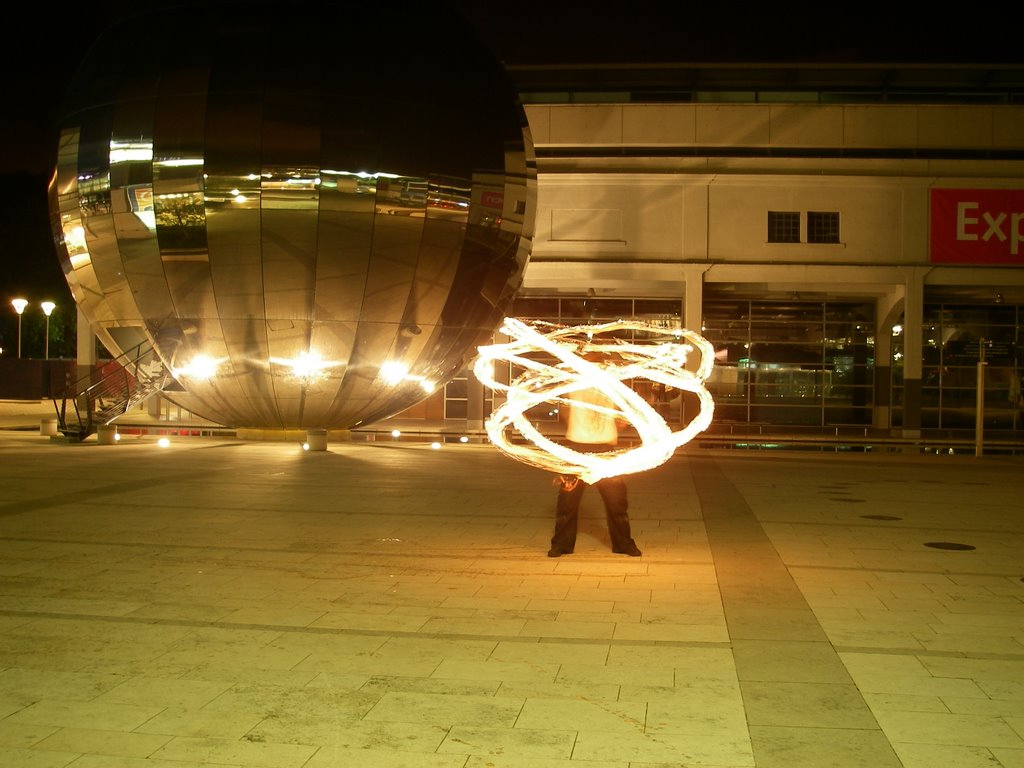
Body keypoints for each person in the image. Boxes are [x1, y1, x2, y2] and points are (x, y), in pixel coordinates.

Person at [548, 381, 642, 558]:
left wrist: (612, 428)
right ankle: (561, 545)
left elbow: (623, 415)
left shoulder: (611, 385)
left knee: (617, 501)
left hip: (605, 450)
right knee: (567, 502)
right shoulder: (573, 382)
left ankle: (623, 544)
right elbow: (564, 410)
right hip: (577, 447)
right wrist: (577, 429)